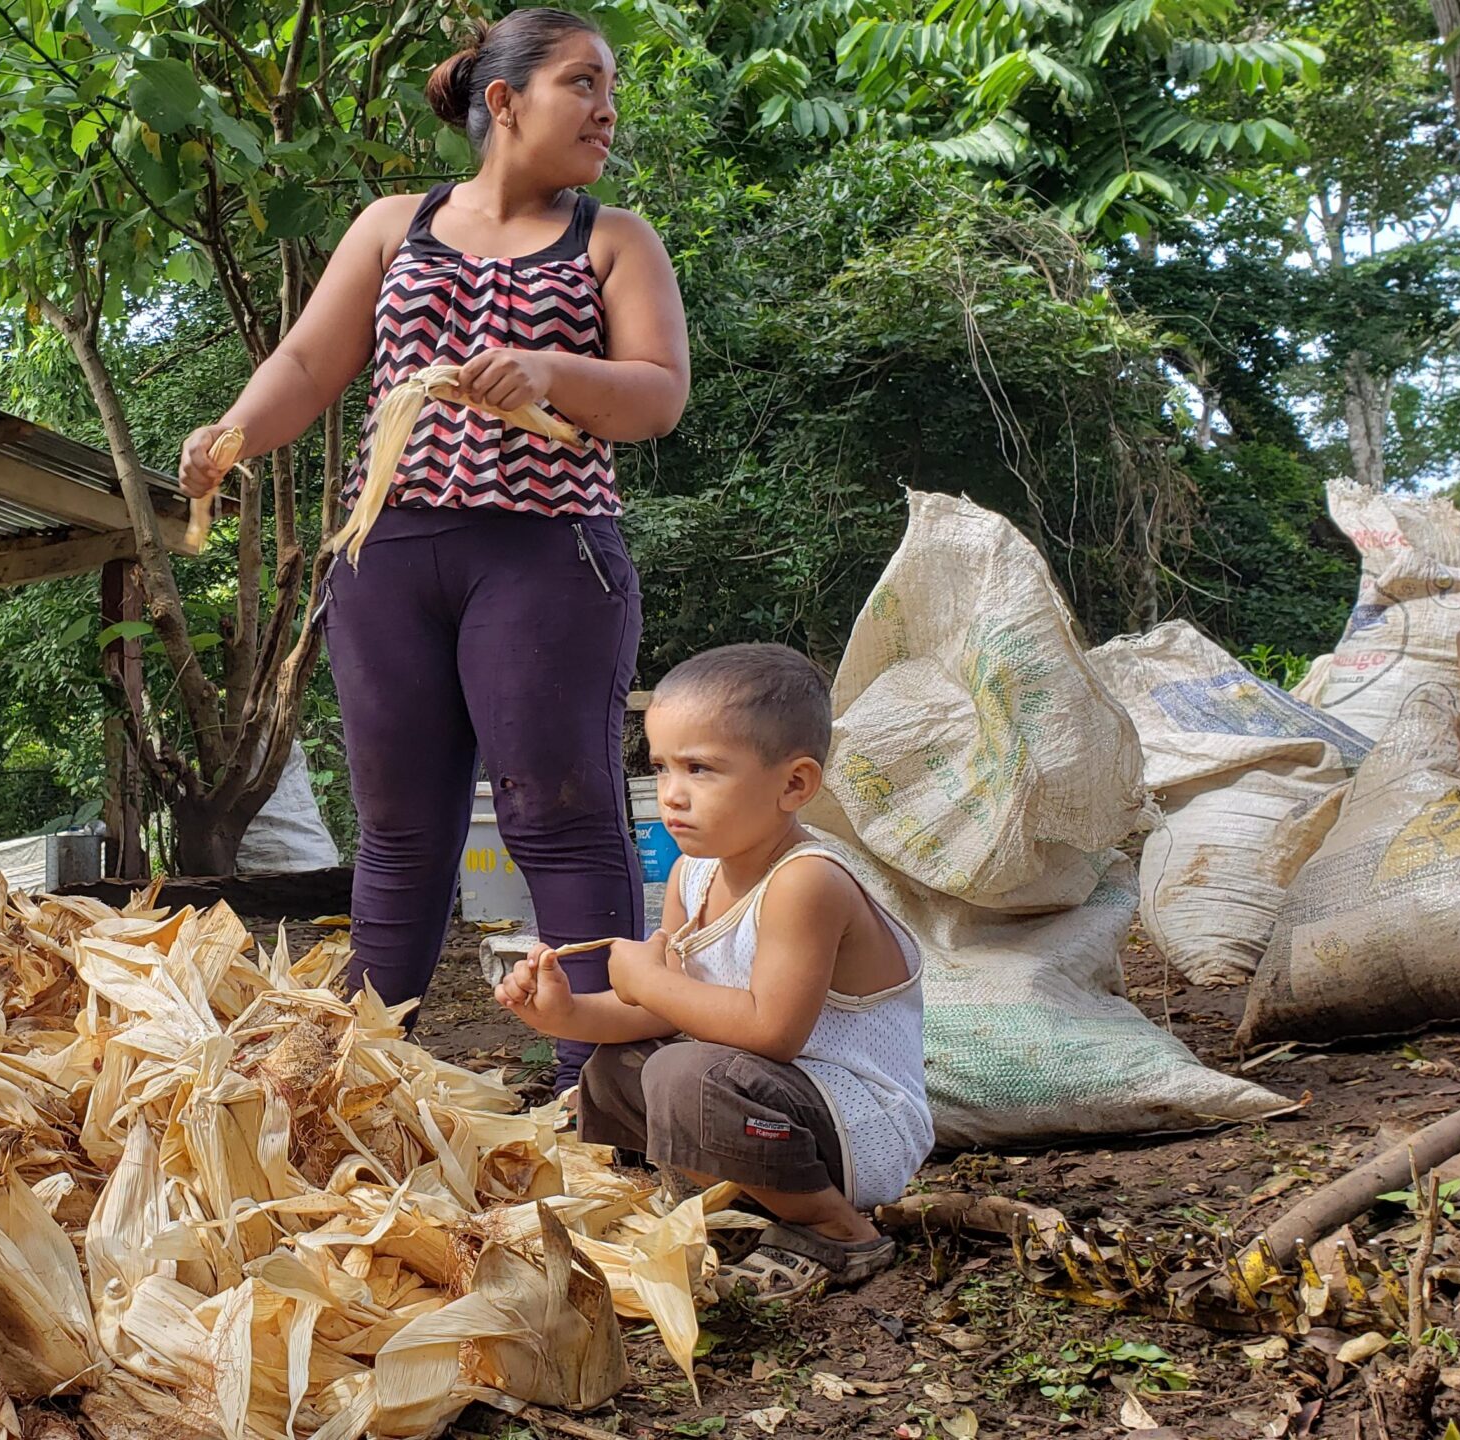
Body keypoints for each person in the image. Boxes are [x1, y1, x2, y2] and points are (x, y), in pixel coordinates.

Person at [177, 7, 690, 1101]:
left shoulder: (612, 238)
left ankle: (593, 1094)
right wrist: (229, 435)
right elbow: (313, 361)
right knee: (401, 832)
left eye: (610, 89)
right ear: (501, 103)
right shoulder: (392, 225)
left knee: (561, 817)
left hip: (548, 558)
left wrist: (552, 370)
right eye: (582, 85)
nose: (606, 110)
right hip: (390, 557)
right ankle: (361, 1088)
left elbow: (657, 396)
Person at [493, 645, 931, 1301]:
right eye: (662, 766)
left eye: (701, 769)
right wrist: (566, 1015)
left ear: (794, 785)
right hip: (766, 1104)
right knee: (616, 1067)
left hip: (855, 1128)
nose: (672, 794)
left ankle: (836, 1232)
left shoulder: (805, 883)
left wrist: (648, 980)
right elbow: (667, 1011)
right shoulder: (691, 874)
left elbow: (771, 1032)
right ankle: (687, 1202)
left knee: (683, 1072)